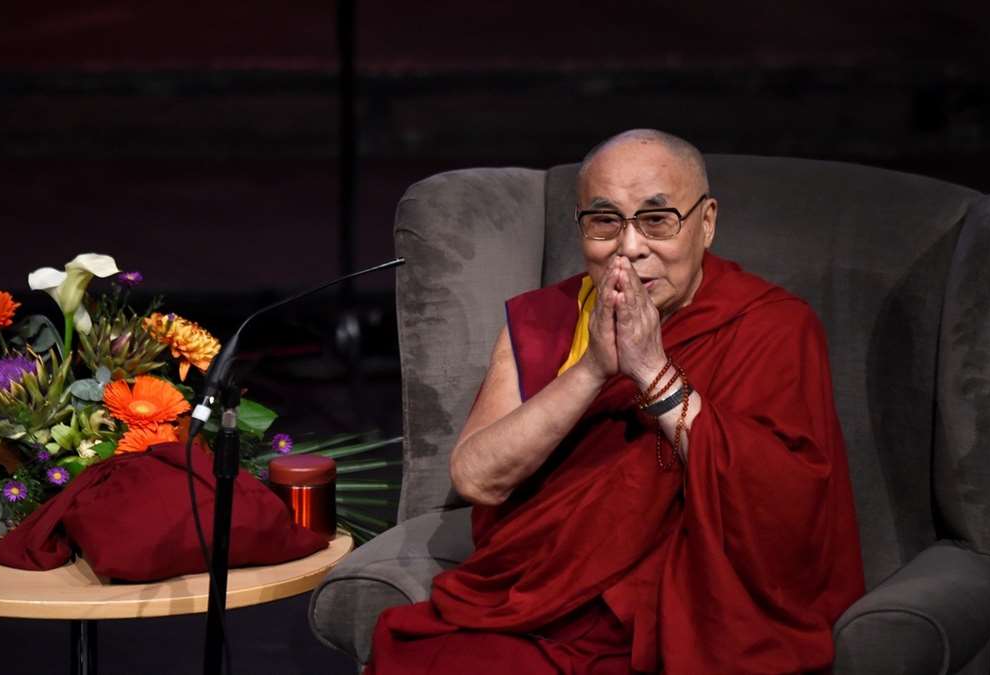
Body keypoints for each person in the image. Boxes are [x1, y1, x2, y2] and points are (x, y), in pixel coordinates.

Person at [364, 129, 865, 673]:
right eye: (605, 221)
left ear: (706, 222)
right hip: (535, 607)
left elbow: (784, 505)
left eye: (657, 220)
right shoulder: (546, 319)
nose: (629, 247)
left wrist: (653, 373)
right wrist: (593, 369)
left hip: (686, 615)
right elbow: (478, 479)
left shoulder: (773, 326)